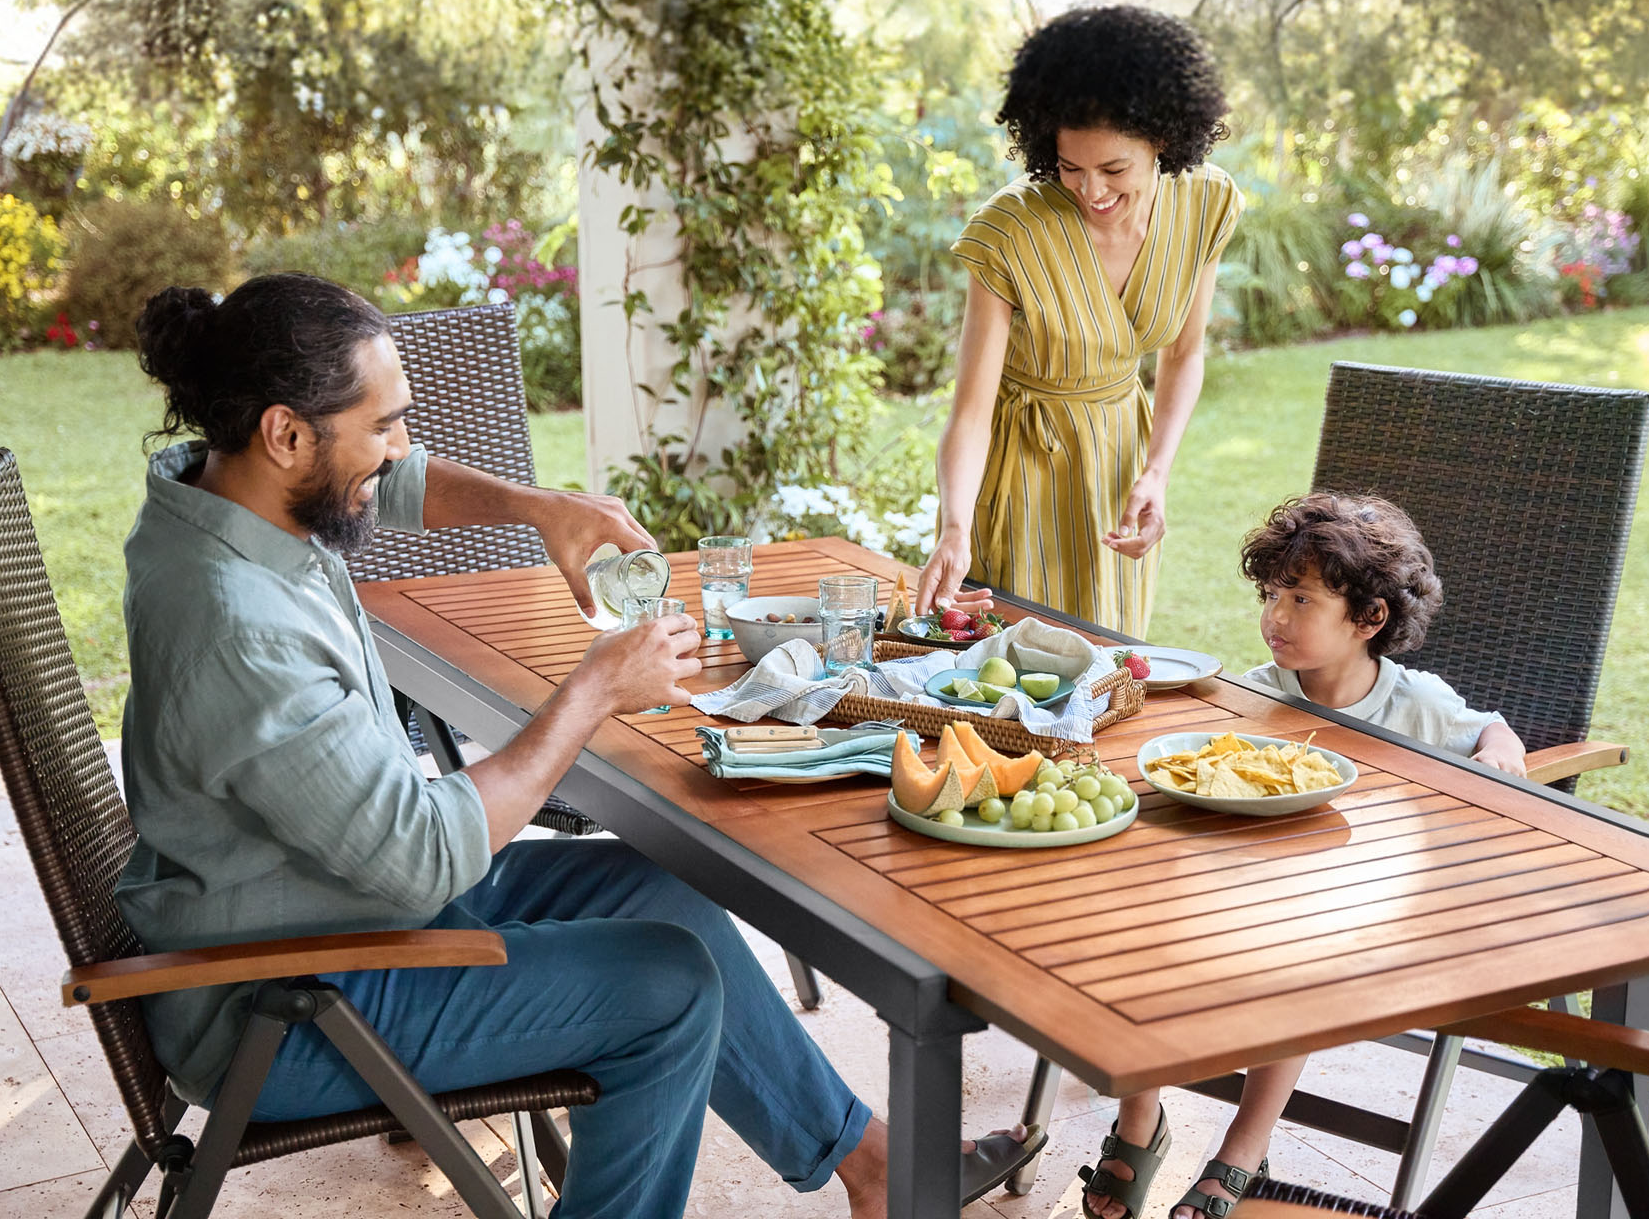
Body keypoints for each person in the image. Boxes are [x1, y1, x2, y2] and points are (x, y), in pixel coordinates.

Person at [113, 273, 1036, 1219]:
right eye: (382, 426)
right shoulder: (240, 625)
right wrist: (594, 688)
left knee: (670, 890)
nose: (397, 451)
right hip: (288, 1002)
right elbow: (423, 857)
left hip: (324, 905)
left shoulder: (223, 488)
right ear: (287, 432)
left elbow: (399, 487)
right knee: (665, 989)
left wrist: (541, 506)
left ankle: (872, 1170)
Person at [1077, 492, 1528, 1219]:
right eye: (1271, 595)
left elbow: (1492, 733)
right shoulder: (1251, 698)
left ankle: (1245, 1145)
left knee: (1297, 949)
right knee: (1135, 925)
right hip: (1225, 892)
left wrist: (1501, 754)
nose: (1274, 619)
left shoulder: (1418, 704)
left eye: (1301, 600)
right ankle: (1139, 1121)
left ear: (1369, 619)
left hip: (1342, 913)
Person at [916, 4, 1244, 636]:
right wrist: (956, 524)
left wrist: (1157, 471)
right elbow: (972, 412)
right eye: (1070, 168)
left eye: (1114, 169)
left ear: (1165, 141)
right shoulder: (1010, 231)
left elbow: (1184, 353)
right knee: (1014, 673)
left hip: (1121, 461)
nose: (1091, 190)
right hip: (1025, 470)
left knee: (1112, 668)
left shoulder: (1207, 203)